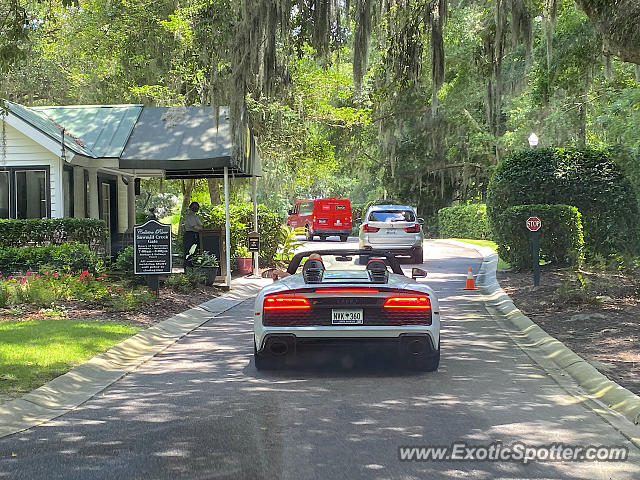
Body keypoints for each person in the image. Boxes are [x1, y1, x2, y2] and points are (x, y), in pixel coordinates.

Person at [182, 201, 203, 266]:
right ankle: (188, 268)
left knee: (196, 252)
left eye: (197, 207)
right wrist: (204, 230)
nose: (196, 208)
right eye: (194, 207)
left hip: (195, 235)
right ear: (191, 207)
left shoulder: (195, 216)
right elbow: (195, 227)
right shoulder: (190, 215)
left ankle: (194, 266)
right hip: (190, 235)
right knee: (190, 252)